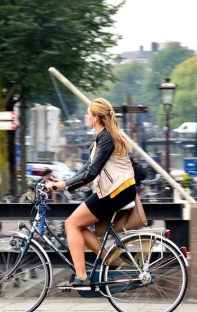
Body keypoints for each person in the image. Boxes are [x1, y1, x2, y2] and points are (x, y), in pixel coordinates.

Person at [45, 97, 135, 289]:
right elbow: (86, 168)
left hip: (116, 192)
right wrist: (64, 183)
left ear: (95, 117)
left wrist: (64, 186)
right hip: (115, 191)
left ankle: (82, 276)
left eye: (88, 114)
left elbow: (92, 173)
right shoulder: (102, 137)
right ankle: (111, 262)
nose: (87, 117)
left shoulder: (107, 138)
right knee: (78, 226)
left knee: (71, 223)